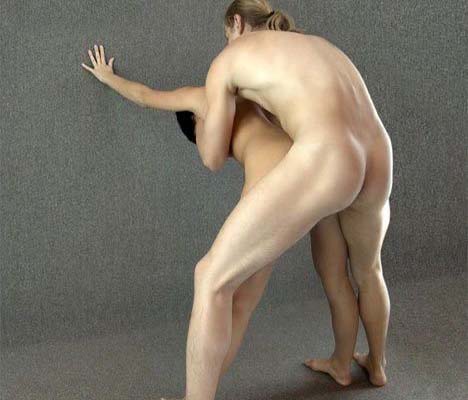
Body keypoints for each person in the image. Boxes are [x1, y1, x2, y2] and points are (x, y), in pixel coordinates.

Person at [81, 1, 393, 398]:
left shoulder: (230, 60)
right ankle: (375, 366)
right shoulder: (313, 45)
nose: (226, 42)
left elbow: (211, 156)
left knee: (211, 278)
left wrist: (110, 79)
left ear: (237, 23)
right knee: (367, 270)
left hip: (328, 156)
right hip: (378, 152)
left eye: (226, 34)